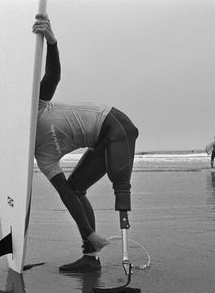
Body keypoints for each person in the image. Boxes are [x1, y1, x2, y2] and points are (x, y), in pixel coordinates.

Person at [32, 14, 139, 272]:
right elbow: (66, 195)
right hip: (99, 143)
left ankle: (124, 258)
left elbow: (52, 77)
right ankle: (91, 257)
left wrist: (51, 41)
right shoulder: (42, 158)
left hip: (115, 124)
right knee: (76, 188)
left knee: (121, 188)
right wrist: (89, 233)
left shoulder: (36, 106)